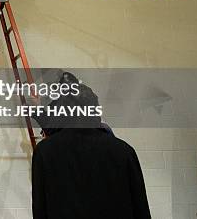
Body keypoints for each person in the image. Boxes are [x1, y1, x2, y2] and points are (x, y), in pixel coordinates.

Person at [31, 72, 151, 219]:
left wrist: (37, 108)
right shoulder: (124, 151)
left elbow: (40, 209)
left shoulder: (45, 152)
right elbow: (141, 209)